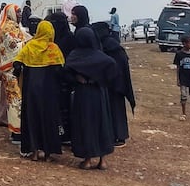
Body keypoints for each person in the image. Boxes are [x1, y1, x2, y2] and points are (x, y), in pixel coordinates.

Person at [64, 27, 117, 170]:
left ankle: (87, 160)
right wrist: (100, 80)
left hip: (83, 94)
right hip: (99, 94)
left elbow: (66, 71)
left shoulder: (75, 55)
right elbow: (112, 66)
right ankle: (102, 160)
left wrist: (77, 78)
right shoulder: (100, 56)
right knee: (102, 123)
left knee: (86, 123)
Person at [12, 21, 65, 161]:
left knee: (32, 117)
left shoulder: (30, 46)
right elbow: (61, 71)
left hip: (31, 91)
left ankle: (34, 152)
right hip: (49, 92)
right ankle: (48, 153)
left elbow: (16, 64)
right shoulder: (54, 49)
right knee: (48, 119)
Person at [92, 22, 136, 147]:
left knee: (114, 110)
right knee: (116, 110)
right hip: (117, 84)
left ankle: (119, 137)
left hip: (113, 84)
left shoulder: (107, 46)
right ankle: (117, 136)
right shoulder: (112, 44)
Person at [0, 3, 27, 143]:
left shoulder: (14, 27)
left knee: (16, 101)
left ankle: (17, 130)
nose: (20, 14)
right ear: (11, 13)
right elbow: (14, 46)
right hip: (10, 70)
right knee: (14, 101)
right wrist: (27, 44)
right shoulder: (7, 29)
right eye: (17, 12)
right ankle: (16, 132)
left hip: (14, 70)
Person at [45, 11, 76, 143]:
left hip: (65, 77)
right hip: (59, 78)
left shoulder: (66, 39)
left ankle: (66, 134)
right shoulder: (61, 37)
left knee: (65, 107)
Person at [173, 35, 190, 121]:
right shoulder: (179, 54)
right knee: (183, 96)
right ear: (184, 44)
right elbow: (178, 67)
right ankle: (183, 113)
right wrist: (177, 79)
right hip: (183, 78)